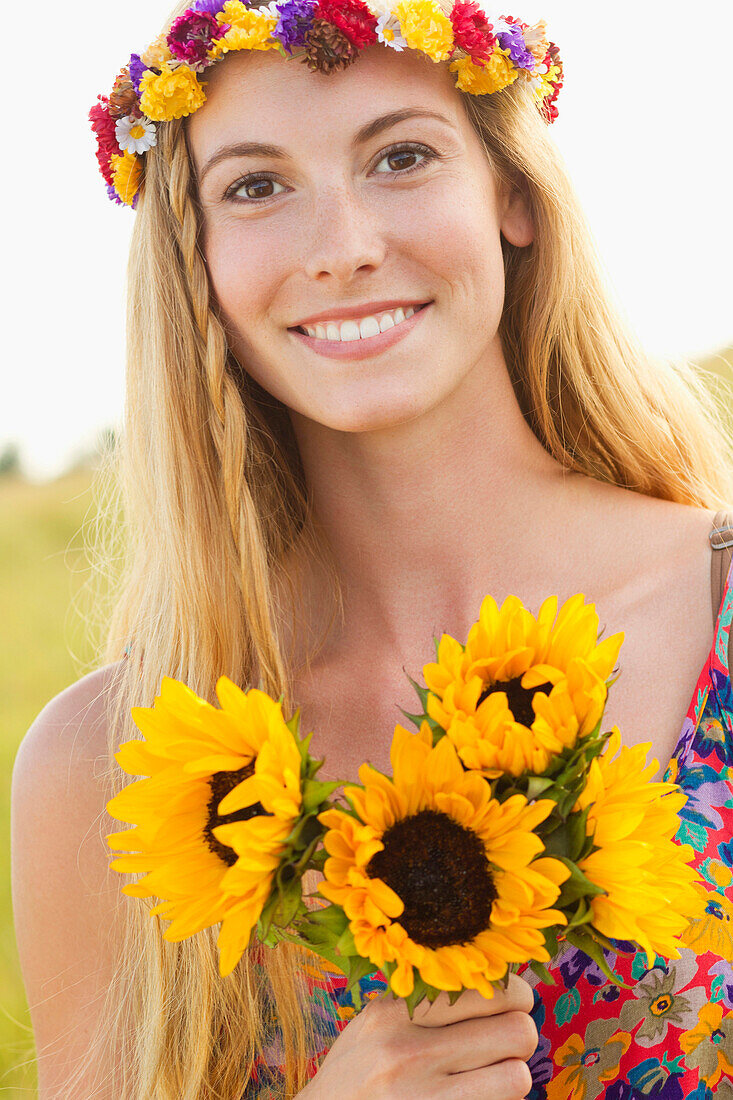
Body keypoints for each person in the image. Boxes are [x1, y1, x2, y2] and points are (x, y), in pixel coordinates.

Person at [10, 0, 733, 1096]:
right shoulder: (106, 771)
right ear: (192, 257)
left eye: (400, 156)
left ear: (512, 195)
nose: (343, 248)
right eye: (255, 185)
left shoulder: (715, 610)